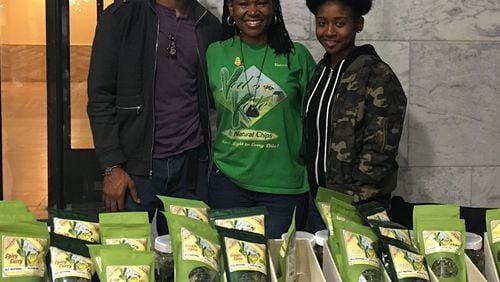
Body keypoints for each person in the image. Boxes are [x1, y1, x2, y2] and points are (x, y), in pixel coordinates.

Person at [87, 0, 223, 235]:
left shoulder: (207, 24)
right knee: (126, 261)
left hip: (191, 168)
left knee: (188, 262)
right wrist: (112, 167)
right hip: (134, 170)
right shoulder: (121, 17)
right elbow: (100, 97)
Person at [206, 0, 316, 238]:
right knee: (235, 267)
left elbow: (316, 122)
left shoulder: (296, 56)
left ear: (274, 7)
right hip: (228, 183)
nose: (253, 11)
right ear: (231, 9)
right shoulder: (215, 52)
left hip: (284, 187)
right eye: (243, 3)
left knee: (280, 268)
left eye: (262, 3)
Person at [304, 0, 407, 230]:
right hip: (319, 200)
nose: (329, 31)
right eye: (322, 23)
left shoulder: (376, 73)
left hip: (359, 205)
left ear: (358, 24)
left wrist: (350, 197)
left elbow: (381, 149)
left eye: (339, 23)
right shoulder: (321, 71)